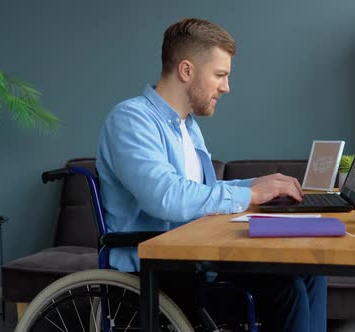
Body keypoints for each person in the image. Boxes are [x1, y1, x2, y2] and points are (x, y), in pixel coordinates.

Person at [96, 17, 326, 331]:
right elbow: (166, 197)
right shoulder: (131, 119)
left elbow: (198, 190)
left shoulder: (186, 126)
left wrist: (257, 184)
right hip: (158, 273)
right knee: (286, 291)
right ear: (186, 70)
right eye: (220, 75)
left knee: (310, 269)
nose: (226, 87)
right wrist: (250, 195)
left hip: (194, 260)